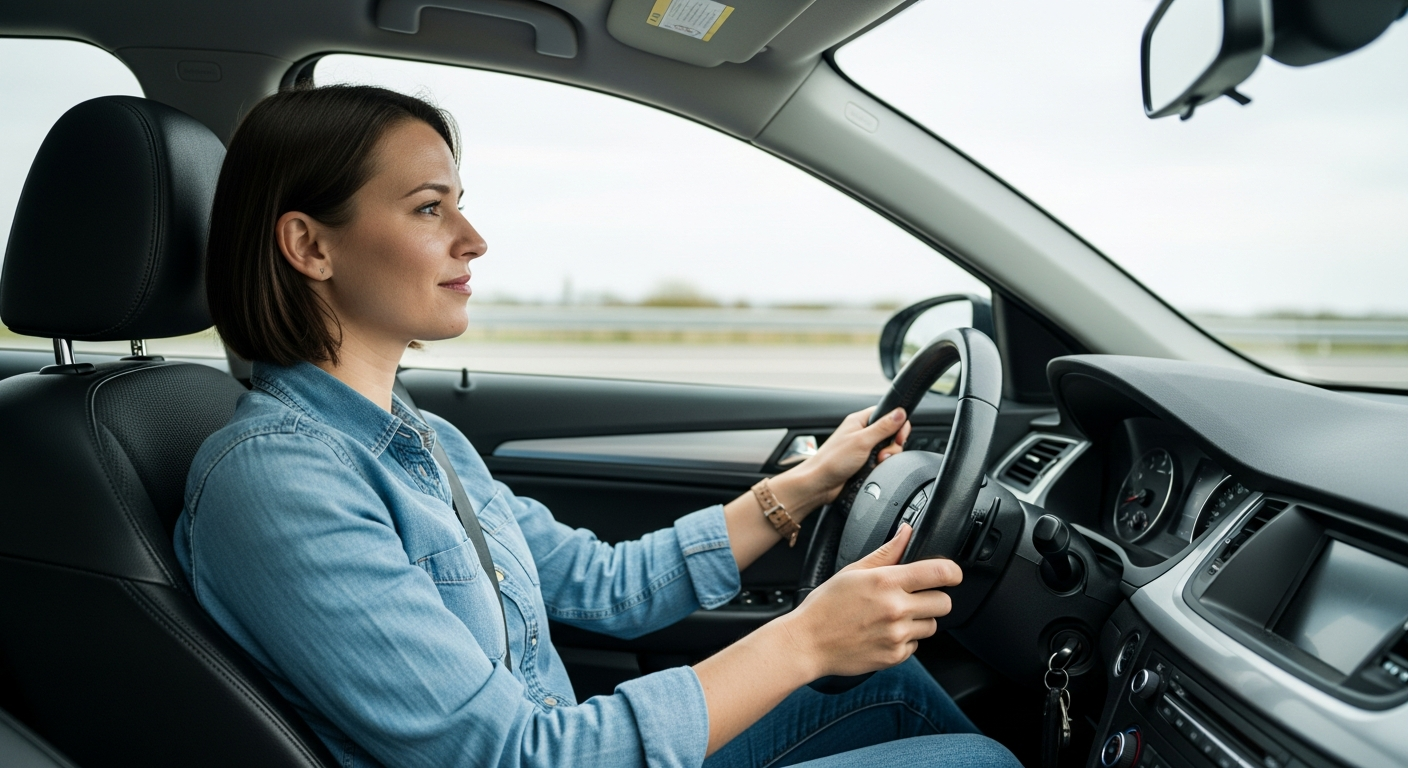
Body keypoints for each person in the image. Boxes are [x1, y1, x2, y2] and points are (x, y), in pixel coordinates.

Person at [175, 84, 1021, 768]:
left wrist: (803, 487)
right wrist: (803, 640)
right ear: (309, 246)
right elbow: (509, 757)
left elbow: (606, 586)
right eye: (431, 209)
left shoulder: (419, 440)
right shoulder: (278, 480)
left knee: (890, 686)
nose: (474, 239)